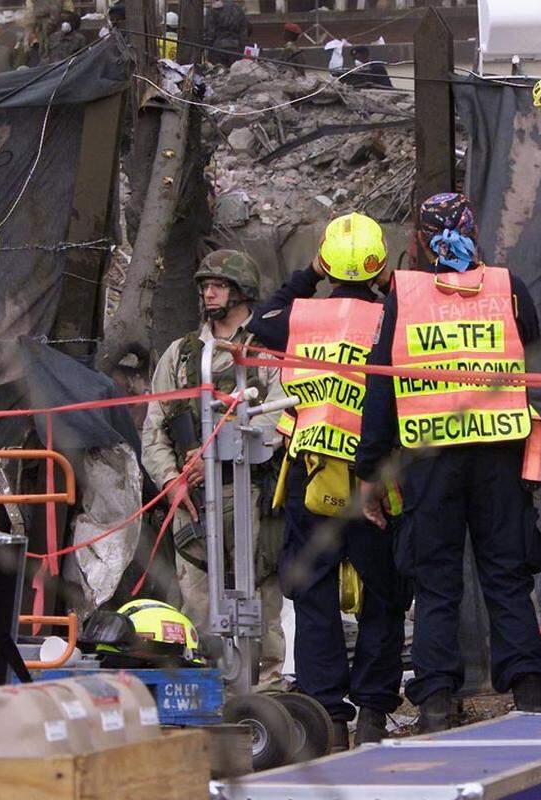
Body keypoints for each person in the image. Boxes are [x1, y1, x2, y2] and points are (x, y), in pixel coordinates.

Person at [354, 193, 541, 732]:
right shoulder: (510, 289)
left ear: (419, 239)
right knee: (508, 577)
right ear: (475, 231)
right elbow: (531, 359)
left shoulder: (405, 293)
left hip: (429, 461)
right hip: (500, 456)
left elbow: (381, 389)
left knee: (437, 585)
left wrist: (370, 470)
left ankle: (437, 705)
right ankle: (531, 699)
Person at [248, 212, 408, 750]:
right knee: (383, 597)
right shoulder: (394, 318)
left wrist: (308, 274)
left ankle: (328, 718)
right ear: (379, 266)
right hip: (374, 479)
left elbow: (258, 318)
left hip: (310, 475)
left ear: (326, 263)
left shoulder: (302, 317)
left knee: (314, 598)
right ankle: (373, 714)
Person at [141, 250, 289, 693]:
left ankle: (267, 694)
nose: (208, 292)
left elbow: (277, 421)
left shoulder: (262, 353)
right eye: (205, 285)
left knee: (261, 600)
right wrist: (171, 480)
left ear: (241, 292)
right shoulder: (180, 356)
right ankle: (209, 692)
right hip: (191, 503)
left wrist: (218, 456)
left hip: (249, 494)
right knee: (199, 604)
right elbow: (154, 428)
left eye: (218, 285)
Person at [203, 0, 249, 68]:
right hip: (236, 47)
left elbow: (210, 32)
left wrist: (206, 45)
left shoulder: (213, 9)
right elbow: (244, 31)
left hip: (218, 48)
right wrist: (243, 47)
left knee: (219, 74)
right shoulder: (239, 9)